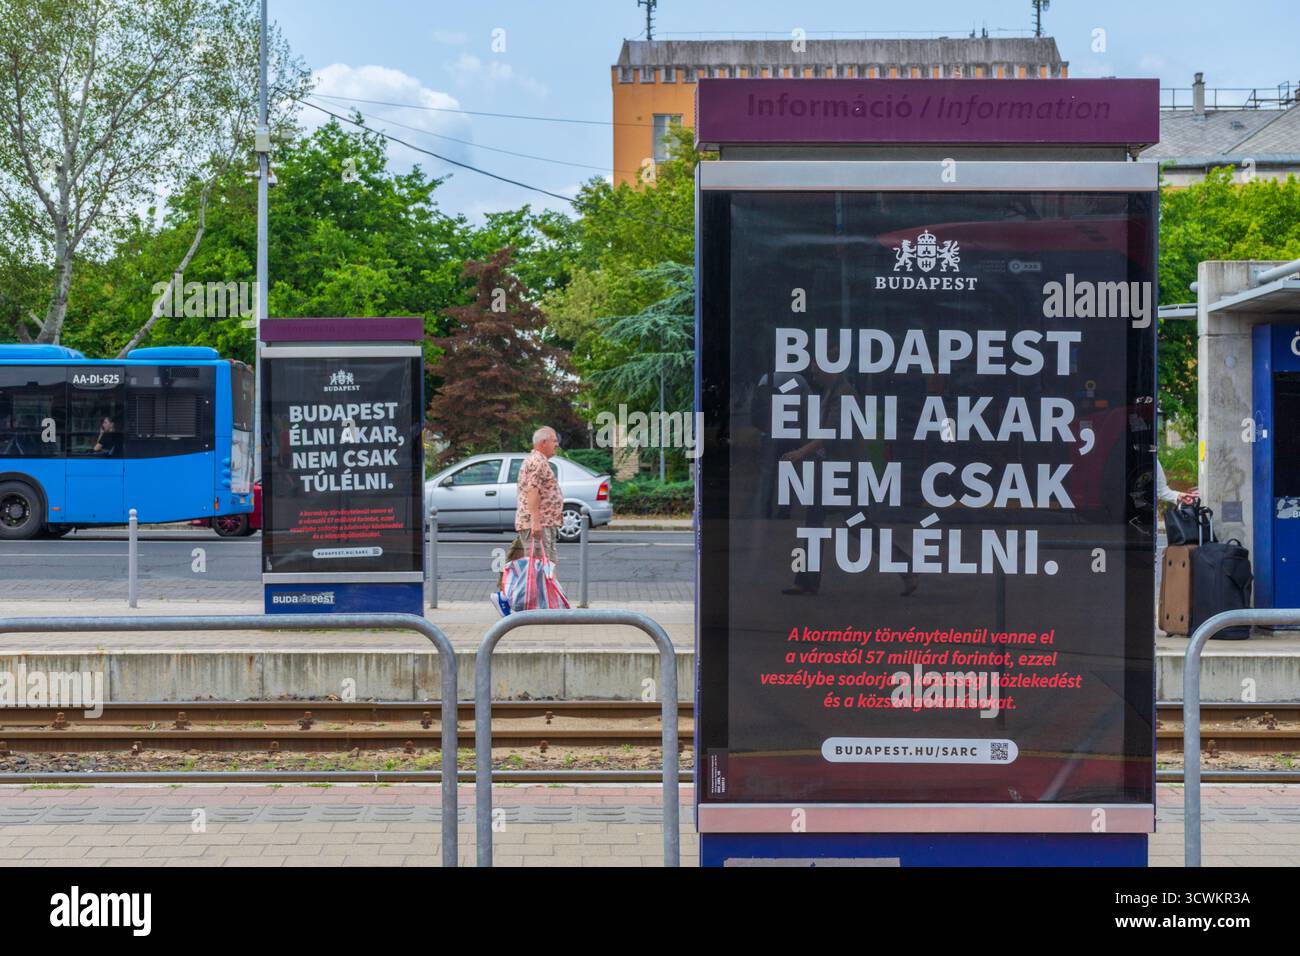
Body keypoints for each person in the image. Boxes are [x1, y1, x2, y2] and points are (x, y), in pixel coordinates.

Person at [492, 426, 564, 616]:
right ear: (543, 442)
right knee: (538, 566)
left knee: (543, 564)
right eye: (554, 440)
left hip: (544, 523)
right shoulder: (536, 462)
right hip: (539, 523)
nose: (557, 444)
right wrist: (535, 522)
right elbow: (533, 492)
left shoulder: (539, 461)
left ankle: (548, 604)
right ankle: (510, 599)